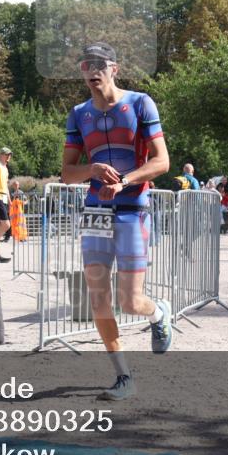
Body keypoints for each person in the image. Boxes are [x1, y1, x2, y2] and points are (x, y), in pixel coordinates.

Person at [61, 41, 172, 401]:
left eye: (99, 64)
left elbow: (162, 162)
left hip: (132, 209)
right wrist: (91, 169)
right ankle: (124, 377)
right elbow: (67, 174)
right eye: (85, 65)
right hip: (95, 211)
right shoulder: (78, 113)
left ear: (114, 68)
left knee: (130, 301)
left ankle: (158, 314)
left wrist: (124, 181)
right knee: (97, 297)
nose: (92, 70)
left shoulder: (140, 104)